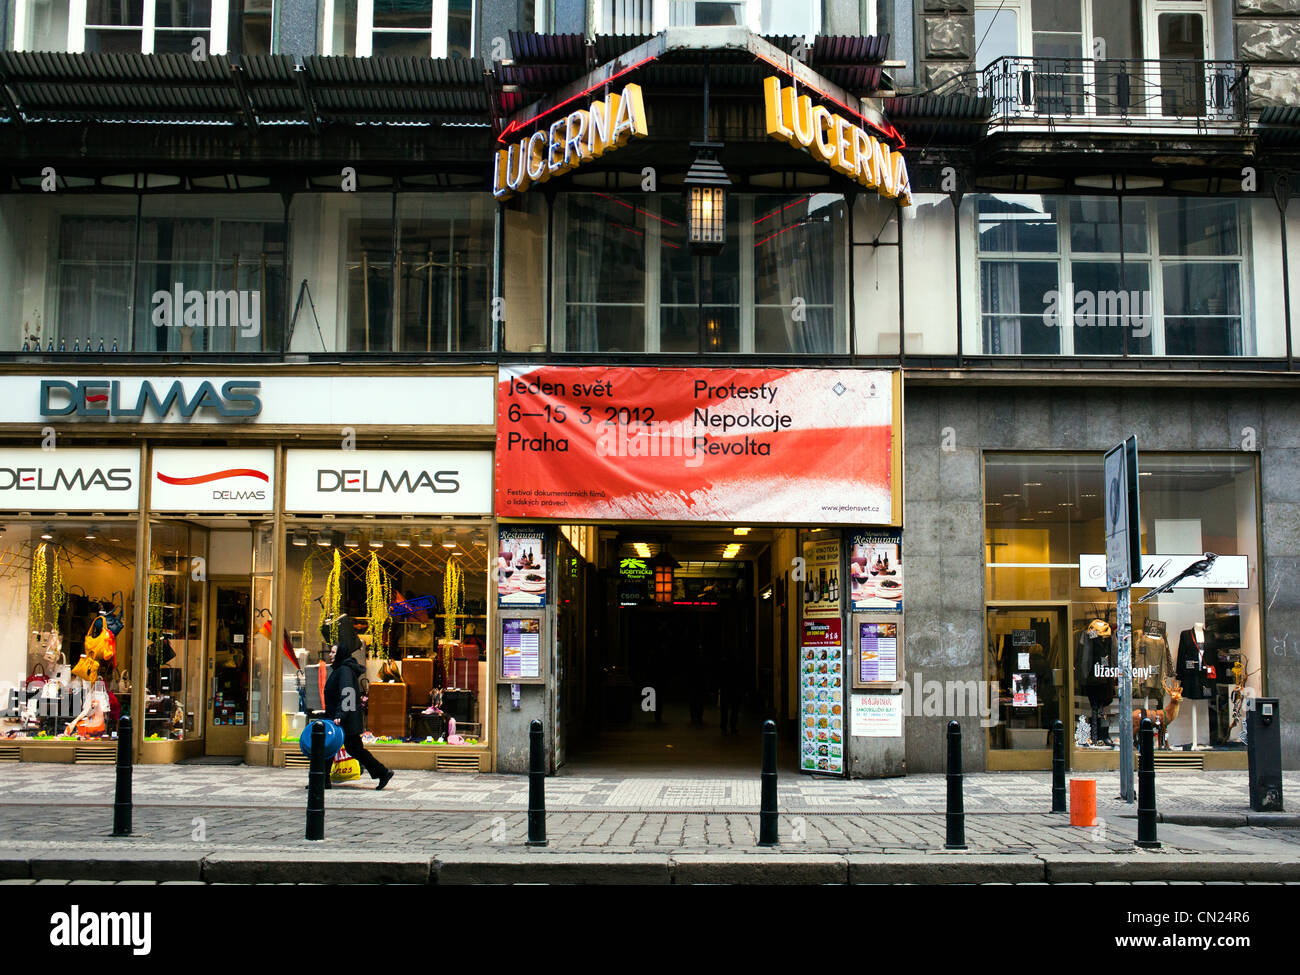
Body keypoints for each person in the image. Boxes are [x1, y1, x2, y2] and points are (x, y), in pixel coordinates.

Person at [323, 620, 394, 791]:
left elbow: (348, 693)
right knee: (336, 749)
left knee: (338, 749)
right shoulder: (341, 668)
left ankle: (382, 772)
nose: (330, 655)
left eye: (333, 652)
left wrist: (340, 715)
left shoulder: (344, 670)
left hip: (343, 720)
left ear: (340, 653)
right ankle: (322, 780)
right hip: (344, 718)